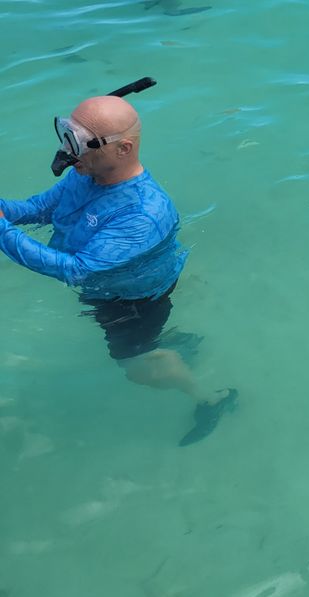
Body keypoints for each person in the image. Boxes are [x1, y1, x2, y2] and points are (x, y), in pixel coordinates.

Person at [0, 95, 236, 445]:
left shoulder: (142, 214)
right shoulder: (86, 173)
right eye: (67, 134)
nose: (68, 150)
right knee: (139, 350)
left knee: (135, 367)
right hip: (109, 285)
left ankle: (210, 397)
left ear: (123, 149)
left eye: (78, 142)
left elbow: (78, 270)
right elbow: (38, 208)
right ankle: (171, 343)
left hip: (131, 300)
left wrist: (2, 231)